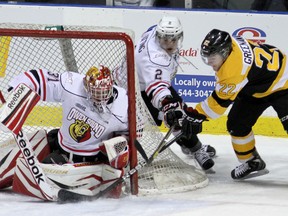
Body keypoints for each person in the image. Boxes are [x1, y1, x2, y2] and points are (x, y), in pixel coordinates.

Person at [0, 66, 130, 198]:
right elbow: (37, 78)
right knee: (10, 163)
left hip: (88, 163)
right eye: (96, 92)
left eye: (104, 93)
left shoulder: (124, 105)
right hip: (59, 145)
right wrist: (16, 95)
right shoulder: (72, 84)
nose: (100, 98)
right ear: (86, 86)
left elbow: (134, 134)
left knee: (28, 176)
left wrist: (116, 145)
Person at [192, 28, 288, 180]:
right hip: (255, 85)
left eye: (213, 57)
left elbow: (216, 106)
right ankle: (252, 162)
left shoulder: (233, 71)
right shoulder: (231, 43)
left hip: (284, 84)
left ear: (224, 52)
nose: (209, 62)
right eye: (207, 57)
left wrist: (195, 116)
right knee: (236, 125)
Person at [135, 16, 216, 171]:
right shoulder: (156, 59)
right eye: (165, 40)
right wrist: (167, 105)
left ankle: (193, 147)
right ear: (159, 37)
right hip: (135, 90)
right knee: (175, 116)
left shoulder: (154, 29)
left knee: (179, 115)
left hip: (140, 81)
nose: (169, 43)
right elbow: (156, 86)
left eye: (173, 39)